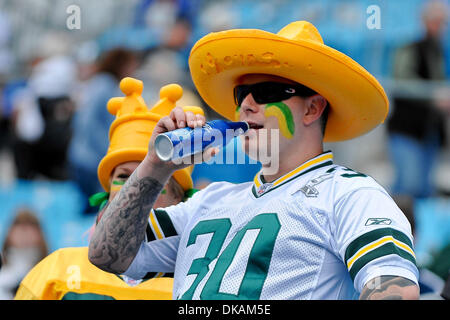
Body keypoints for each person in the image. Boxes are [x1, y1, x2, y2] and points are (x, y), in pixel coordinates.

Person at [89, 21, 419, 300]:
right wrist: (156, 166)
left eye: (265, 92)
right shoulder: (208, 200)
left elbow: (394, 290)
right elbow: (106, 254)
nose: (245, 106)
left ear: (312, 108)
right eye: (240, 95)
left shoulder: (350, 195)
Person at [14, 78, 204, 300]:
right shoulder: (56, 273)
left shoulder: (200, 284)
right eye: (123, 177)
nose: (133, 189)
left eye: (156, 180)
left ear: (180, 200)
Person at [387, 0, 449, 198]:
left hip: (428, 133)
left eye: (442, 22)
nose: (439, 27)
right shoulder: (410, 48)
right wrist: (433, 97)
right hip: (407, 130)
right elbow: (402, 81)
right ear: (425, 21)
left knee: (422, 189)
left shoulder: (437, 50)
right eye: (436, 21)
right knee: (408, 187)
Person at [68, 48, 140, 213]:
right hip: (91, 160)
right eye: (131, 65)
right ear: (121, 65)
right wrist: (108, 154)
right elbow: (88, 123)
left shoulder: (98, 83)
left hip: (81, 156)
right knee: (101, 211)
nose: (133, 70)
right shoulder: (106, 86)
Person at [0, 209, 48, 299]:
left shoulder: (50, 272)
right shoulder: (2, 272)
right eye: (18, 224)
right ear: (9, 233)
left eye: (31, 225)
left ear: (40, 234)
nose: (24, 231)